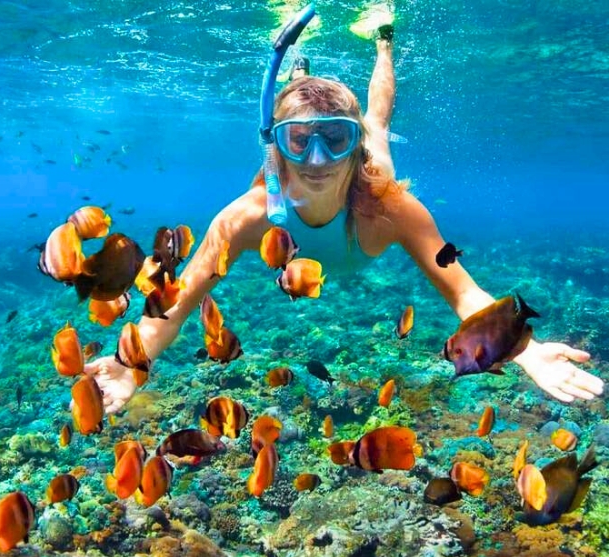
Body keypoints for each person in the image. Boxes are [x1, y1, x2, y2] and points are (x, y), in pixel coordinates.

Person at [85, 19, 604, 413]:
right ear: (277, 148)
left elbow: (465, 293)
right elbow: (176, 304)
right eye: (298, 140)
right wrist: (134, 362)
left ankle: (382, 40)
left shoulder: (390, 208)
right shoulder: (247, 218)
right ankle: (300, 72)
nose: (316, 161)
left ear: (354, 150)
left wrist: (523, 348)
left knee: (377, 119)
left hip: (373, 169)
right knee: (309, 102)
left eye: (336, 139)